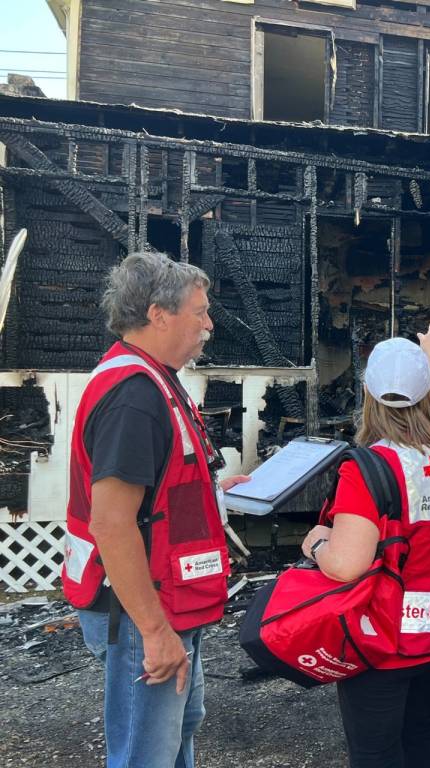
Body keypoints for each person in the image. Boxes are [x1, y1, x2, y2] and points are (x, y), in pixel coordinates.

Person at [61, 252, 249, 768]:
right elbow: (112, 522)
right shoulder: (135, 397)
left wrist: (216, 489)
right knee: (146, 752)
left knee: (177, 732)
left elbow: (155, 489)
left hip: (163, 600)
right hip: (143, 610)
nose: (209, 324)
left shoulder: (153, 380)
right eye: (199, 311)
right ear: (158, 314)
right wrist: (155, 633)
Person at [301, 319, 430, 768]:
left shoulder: (367, 468)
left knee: (375, 750)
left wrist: (316, 544)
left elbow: (346, 565)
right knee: (422, 728)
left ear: (368, 393)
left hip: (389, 637)